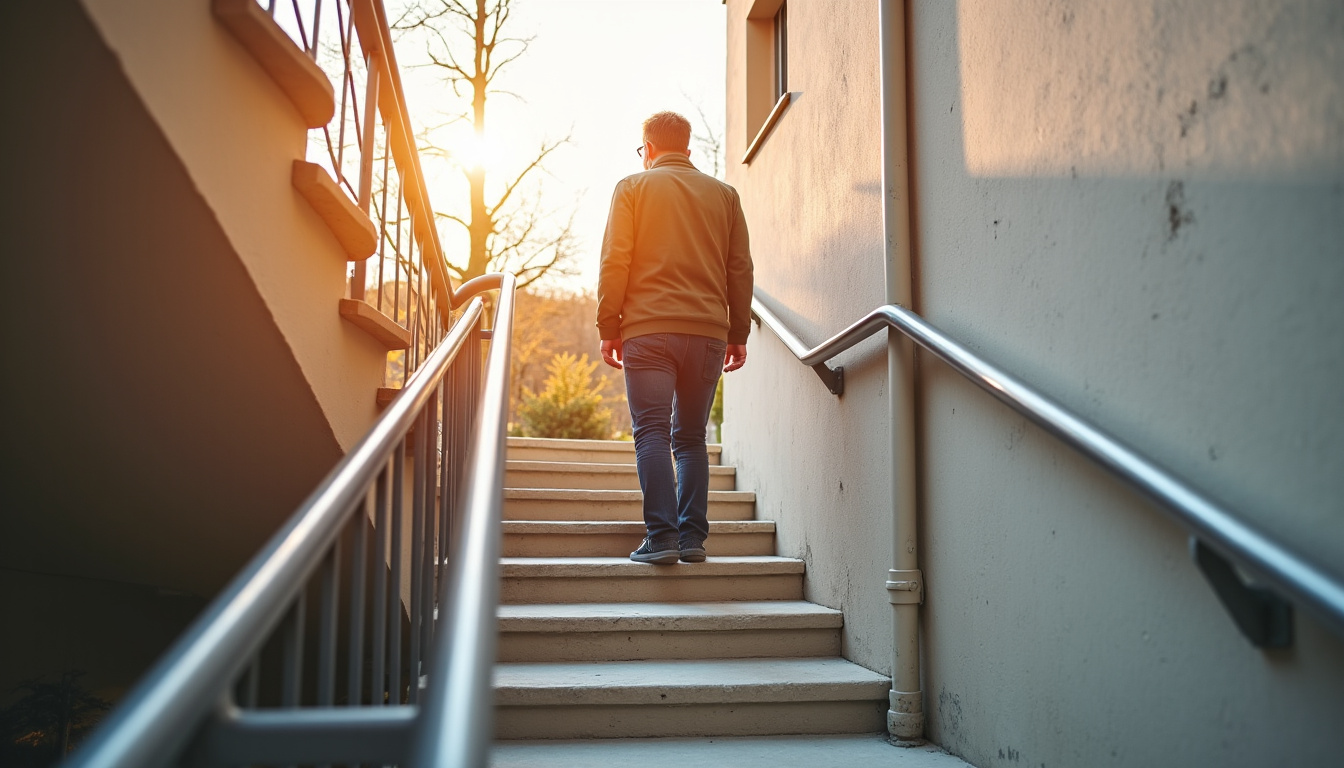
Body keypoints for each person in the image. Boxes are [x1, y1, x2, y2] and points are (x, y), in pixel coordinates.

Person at [596, 111, 754, 565]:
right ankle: (692, 541)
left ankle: (661, 537)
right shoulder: (725, 195)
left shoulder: (632, 187)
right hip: (707, 334)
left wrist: (609, 326)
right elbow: (739, 268)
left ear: (647, 149)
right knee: (690, 438)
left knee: (651, 431)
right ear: (688, 149)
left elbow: (615, 261)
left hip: (648, 330)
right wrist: (737, 332)